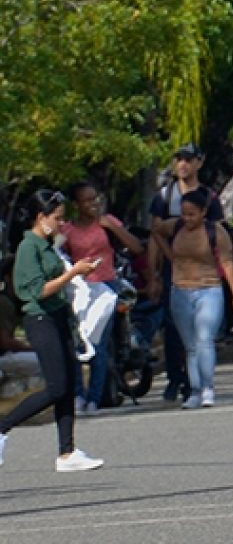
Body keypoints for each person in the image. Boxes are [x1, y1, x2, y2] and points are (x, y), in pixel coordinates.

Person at [0, 189, 106, 472]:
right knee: (56, 386)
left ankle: (67, 452)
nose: (61, 224)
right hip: (40, 320)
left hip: (59, 318)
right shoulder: (28, 248)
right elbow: (38, 291)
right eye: (57, 218)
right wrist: (72, 273)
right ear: (40, 216)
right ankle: (2, 428)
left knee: (69, 383)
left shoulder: (48, 245)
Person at [152, 190, 233, 409]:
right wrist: (170, 256)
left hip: (209, 289)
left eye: (192, 214)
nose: (187, 219)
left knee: (205, 339)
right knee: (191, 345)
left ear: (204, 212)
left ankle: (207, 388)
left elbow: (228, 263)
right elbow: (156, 231)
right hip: (181, 290)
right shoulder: (175, 227)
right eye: (184, 214)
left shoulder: (216, 232)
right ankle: (194, 390)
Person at [61, 181, 144, 414]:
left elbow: (136, 247)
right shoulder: (67, 230)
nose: (93, 204)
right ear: (76, 204)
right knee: (78, 341)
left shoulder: (108, 223)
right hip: (80, 289)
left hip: (105, 286)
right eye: (87, 200)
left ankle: (95, 397)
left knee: (98, 342)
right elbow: (59, 257)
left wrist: (113, 227)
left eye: (95, 198)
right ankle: (78, 393)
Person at [149, 144, 219, 403]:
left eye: (188, 159)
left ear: (199, 163)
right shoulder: (164, 197)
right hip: (173, 273)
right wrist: (154, 273)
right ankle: (176, 378)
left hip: (204, 273)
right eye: (178, 159)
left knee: (202, 330)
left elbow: (219, 234)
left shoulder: (208, 198)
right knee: (173, 327)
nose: (182, 165)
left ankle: (201, 383)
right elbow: (155, 235)